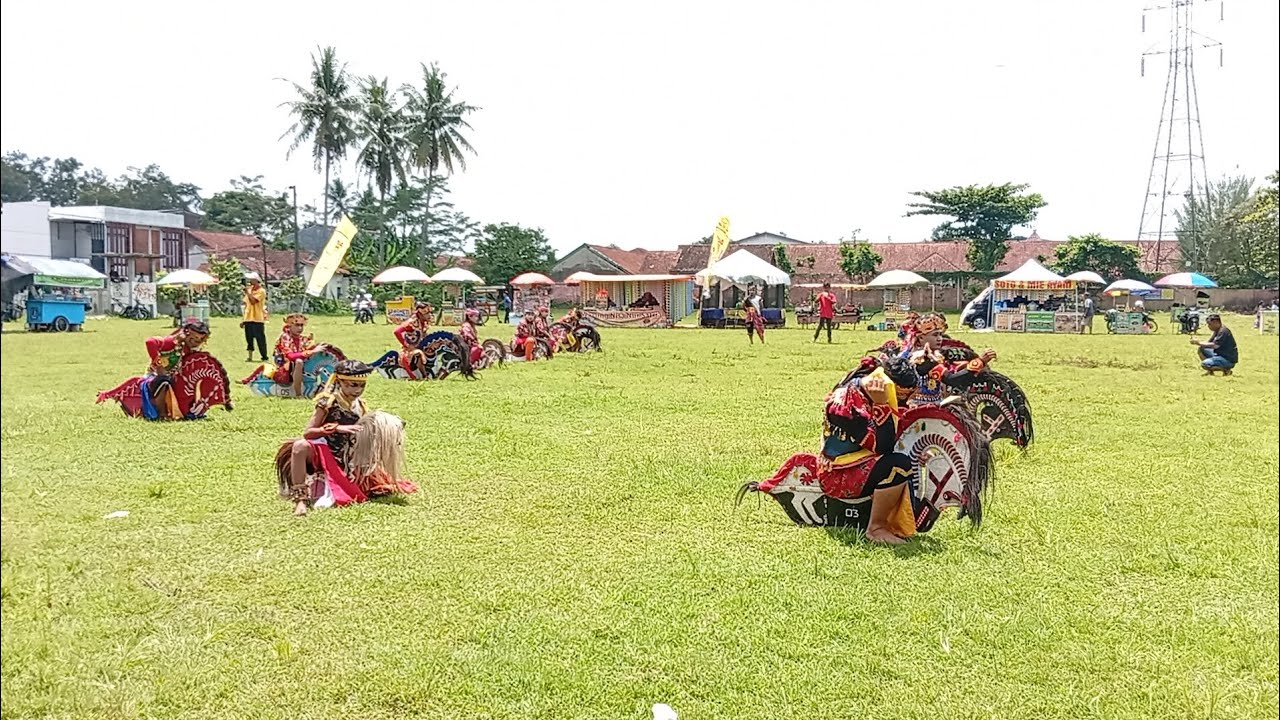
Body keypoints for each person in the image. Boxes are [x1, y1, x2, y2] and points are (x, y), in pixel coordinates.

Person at [276, 360, 416, 517]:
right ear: (340, 382)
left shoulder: (360, 405)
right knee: (300, 446)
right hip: (325, 451)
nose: (358, 390)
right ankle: (300, 500)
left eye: (362, 386)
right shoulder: (327, 402)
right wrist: (336, 428)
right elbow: (308, 433)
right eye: (352, 385)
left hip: (348, 455)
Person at [820, 357, 921, 544]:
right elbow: (883, 447)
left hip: (859, 464)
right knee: (898, 465)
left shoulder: (864, 391)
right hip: (839, 474)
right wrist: (881, 404)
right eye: (899, 396)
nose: (903, 402)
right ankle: (876, 528)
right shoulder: (846, 404)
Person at [144, 318, 216, 419]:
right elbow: (150, 341)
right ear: (187, 333)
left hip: (175, 377)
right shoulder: (171, 342)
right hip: (155, 376)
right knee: (164, 381)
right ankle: (162, 414)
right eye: (194, 338)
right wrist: (159, 365)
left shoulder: (190, 350)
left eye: (200, 340)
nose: (196, 342)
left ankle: (192, 411)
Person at [393, 301, 434, 377]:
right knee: (418, 353)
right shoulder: (411, 322)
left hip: (421, 346)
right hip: (409, 350)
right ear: (421, 314)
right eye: (427, 313)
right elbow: (397, 331)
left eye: (430, 313)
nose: (429, 315)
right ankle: (424, 375)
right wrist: (406, 345)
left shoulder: (423, 323)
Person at [242, 274, 268, 363]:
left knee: (260, 338)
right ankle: (250, 356)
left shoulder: (261, 291)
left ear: (256, 280)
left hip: (258, 318)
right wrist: (243, 319)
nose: (250, 281)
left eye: (251, 279)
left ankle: (264, 356)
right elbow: (246, 304)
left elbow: (253, 301)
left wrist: (248, 293)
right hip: (248, 318)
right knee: (249, 338)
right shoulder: (250, 290)